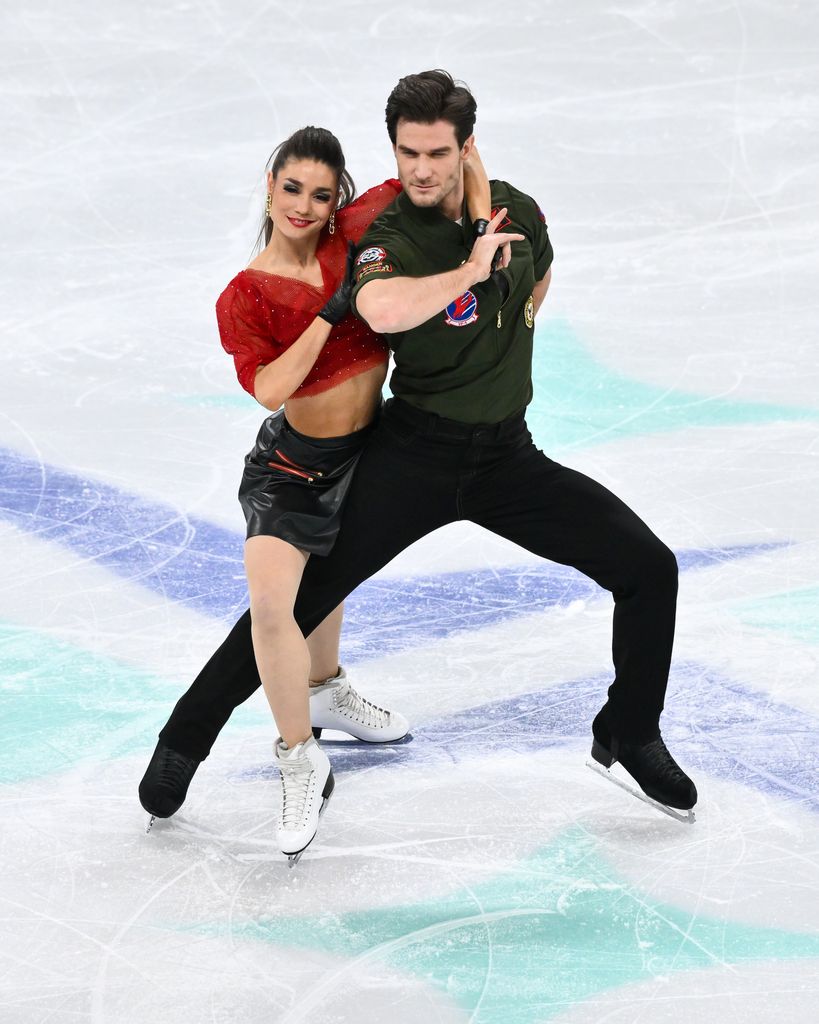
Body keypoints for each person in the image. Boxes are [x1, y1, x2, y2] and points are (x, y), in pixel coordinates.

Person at [141, 71, 697, 855]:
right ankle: (182, 740)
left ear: (466, 147)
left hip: (506, 459)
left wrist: (510, 323)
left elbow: (537, 270)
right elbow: (379, 307)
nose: (421, 169)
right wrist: (468, 274)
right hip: (412, 456)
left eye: (437, 153)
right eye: (407, 153)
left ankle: (628, 734)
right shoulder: (388, 235)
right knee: (292, 606)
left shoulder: (517, 211)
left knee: (648, 567)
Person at [140, 124, 494, 863]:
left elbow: (444, 171)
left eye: (321, 195)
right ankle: (300, 757)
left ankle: (326, 687)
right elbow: (270, 388)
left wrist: (465, 152)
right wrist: (331, 311)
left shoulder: (356, 237)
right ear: (270, 188)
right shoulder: (245, 294)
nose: (303, 206)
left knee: (333, 579)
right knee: (275, 607)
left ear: (339, 203)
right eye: (292, 188)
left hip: (375, 455)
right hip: (294, 470)